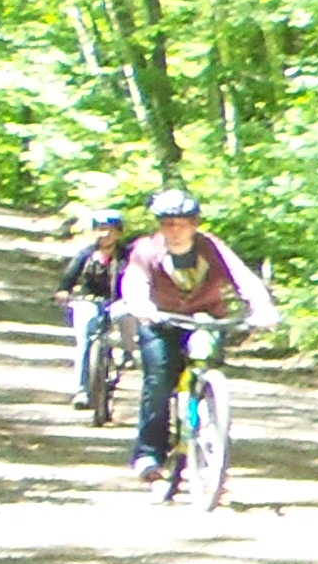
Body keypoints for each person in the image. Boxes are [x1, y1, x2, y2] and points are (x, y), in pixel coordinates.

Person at [116, 190, 275, 481]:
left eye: (182, 223)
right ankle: (149, 454)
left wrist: (261, 306)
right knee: (159, 381)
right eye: (168, 224)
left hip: (204, 318)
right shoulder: (147, 249)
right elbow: (135, 280)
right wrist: (141, 305)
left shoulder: (210, 247)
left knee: (203, 363)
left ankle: (198, 415)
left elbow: (241, 276)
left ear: (194, 224)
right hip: (160, 321)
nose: (175, 230)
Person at [57, 207, 131, 405]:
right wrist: (64, 290)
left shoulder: (128, 255)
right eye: (100, 229)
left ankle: (127, 354)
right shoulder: (87, 254)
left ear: (119, 233)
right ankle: (81, 391)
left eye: (110, 230)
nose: (105, 234)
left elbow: (141, 275)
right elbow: (70, 275)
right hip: (89, 300)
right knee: (84, 338)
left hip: (120, 300)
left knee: (126, 318)